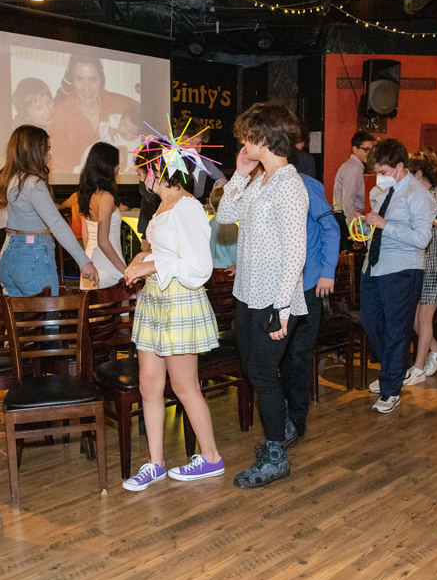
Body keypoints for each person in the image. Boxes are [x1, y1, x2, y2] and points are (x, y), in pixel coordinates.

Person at [121, 142, 224, 491]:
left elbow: (198, 267)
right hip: (155, 300)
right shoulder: (162, 204)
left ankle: (211, 458)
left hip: (179, 300)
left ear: (155, 171)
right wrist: (142, 258)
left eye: (141, 172)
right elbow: (167, 251)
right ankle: (155, 464)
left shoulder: (188, 206)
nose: (140, 179)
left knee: (184, 386)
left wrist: (149, 265)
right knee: (148, 385)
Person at [217, 102, 308, 488]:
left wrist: (282, 308)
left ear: (264, 138)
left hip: (275, 300)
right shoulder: (259, 180)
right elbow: (224, 218)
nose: (242, 143)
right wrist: (239, 175)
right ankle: (281, 425)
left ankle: (275, 456)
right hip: (248, 293)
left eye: (247, 137)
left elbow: (296, 253)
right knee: (255, 370)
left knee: (262, 374)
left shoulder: (289, 185)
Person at [359, 139, 437, 413]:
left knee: (396, 329)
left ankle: (391, 389)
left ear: (399, 166)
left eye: (383, 171)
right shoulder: (381, 192)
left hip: (402, 268)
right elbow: (376, 228)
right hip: (373, 266)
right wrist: (364, 226)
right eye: (376, 172)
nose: (378, 177)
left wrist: (386, 225)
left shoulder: (419, 195)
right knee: (370, 322)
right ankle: (391, 371)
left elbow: (422, 238)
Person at [0, 125, 99, 296]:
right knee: (48, 312)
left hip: (8, 255)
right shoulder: (32, 183)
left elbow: (4, 223)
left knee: (16, 314)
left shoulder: (6, 180)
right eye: (46, 150)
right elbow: (57, 224)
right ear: (33, 151)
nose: (49, 156)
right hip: (33, 257)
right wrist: (84, 261)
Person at [278, 169, 340, 446]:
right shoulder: (263, 183)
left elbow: (331, 229)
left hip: (308, 284)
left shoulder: (306, 184)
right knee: (279, 356)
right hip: (278, 286)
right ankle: (281, 416)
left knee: (298, 356)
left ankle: (296, 420)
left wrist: (328, 271)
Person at [401, 152, 437, 387]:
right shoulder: (416, 195)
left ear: (418, 173)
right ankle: (436, 349)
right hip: (421, 261)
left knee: (424, 316)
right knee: (414, 317)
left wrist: (432, 220)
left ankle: (418, 369)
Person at [47, 54, 140, 173]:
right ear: (72, 81)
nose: (87, 89)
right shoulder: (60, 114)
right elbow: (55, 167)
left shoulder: (120, 105)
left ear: (101, 81)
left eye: (93, 80)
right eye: (79, 79)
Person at [77, 142, 127, 289]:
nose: (118, 168)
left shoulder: (87, 194)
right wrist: (126, 271)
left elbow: (86, 235)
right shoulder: (106, 197)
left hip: (91, 263)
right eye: (116, 164)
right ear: (107, 166)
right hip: (108, 266)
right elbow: (103, 241)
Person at [333, 131, 375, 251]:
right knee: (352, 257)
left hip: (345, 217)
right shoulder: (354, 167)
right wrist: (355, 231)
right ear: (355, 149)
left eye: (371, 150)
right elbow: (348, 201)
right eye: (365, 150)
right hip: (346, 218)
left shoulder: (354, 166)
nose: (369, 153)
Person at [172, 118, 227, 204]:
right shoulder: (165, 163)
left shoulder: (203, 163)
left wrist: (217, 191)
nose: (199, 150)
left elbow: (222, 179)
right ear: (184, 140)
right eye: (198, 143)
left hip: (196, 204)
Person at [207, 183, 238, 270]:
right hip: (227, 270)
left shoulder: (210, 223)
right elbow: (234, 254)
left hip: (211, 268)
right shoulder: (231, 226)